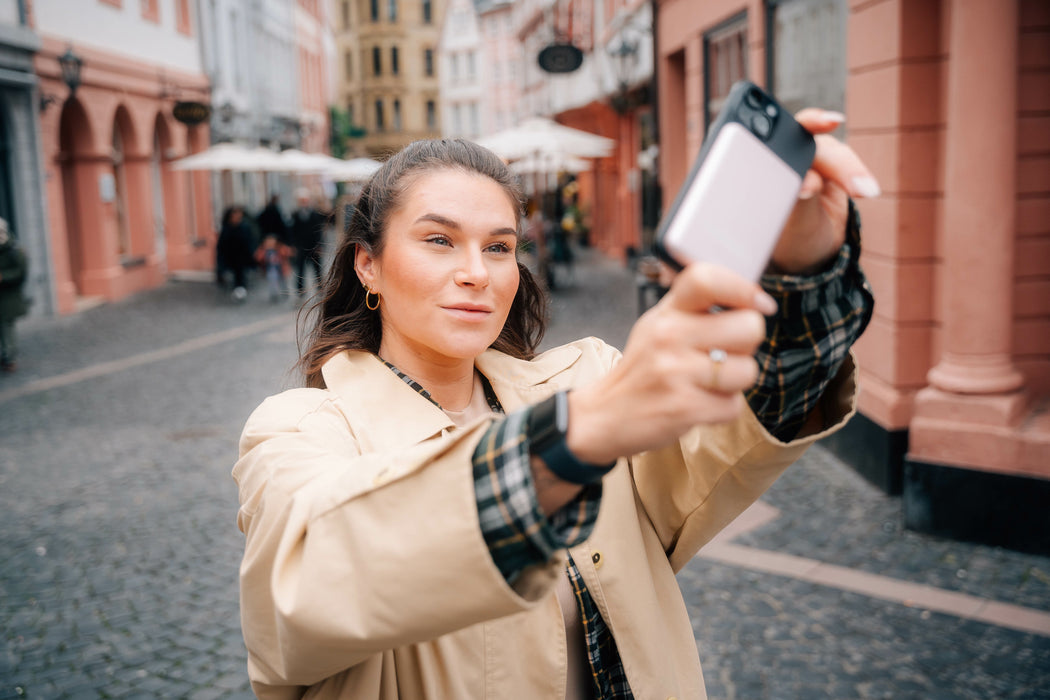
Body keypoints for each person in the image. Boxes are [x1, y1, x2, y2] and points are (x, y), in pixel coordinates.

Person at [233, 112, 877, 699]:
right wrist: (580, 434)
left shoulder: (589, 379)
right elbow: (310, 583)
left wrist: (803, 261)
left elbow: (740, 428)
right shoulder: (300, 430)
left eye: (499, 246)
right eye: (438, 240)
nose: (477, 272)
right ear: (367, 265)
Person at [0, 218, 28, 372]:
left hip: (9, 296)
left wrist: (3, 276)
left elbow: (20, 272)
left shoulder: (14, 250)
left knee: (7, 326)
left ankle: (9, 356)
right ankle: (6, 354)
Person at [289, 188, 327, 299]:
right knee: (300, 270)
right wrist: (293, 245)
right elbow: (292, 231)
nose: (304, 202)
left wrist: (320, 245)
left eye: (305, 200)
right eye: (302, 200)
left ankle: (320, 289)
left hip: (313, 246)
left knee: (317, 270)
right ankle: (300, 291)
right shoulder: (295, 215)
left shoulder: (315, 214)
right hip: (301, 247)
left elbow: (319, 231)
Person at [217, 205, 255, 302]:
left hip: (242, 258)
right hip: (230, 258)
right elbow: (221, 246)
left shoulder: (245, 227)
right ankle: (237, 292)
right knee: (234, 277)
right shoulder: (227, 228)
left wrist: (251, 258)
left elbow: (250, 242)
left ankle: (241, 293)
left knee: (241, 277)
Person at [254, 233, 292, 303]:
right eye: (268, 242)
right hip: (271, 269)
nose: (270, 243)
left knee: (283, 281)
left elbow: (288, 252)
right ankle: (274, 294)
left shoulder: (280, 247)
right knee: (272, 280)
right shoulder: (263, 249)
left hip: (281, 269)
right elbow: (257, 257)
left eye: (272, 241)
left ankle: (285, 291)